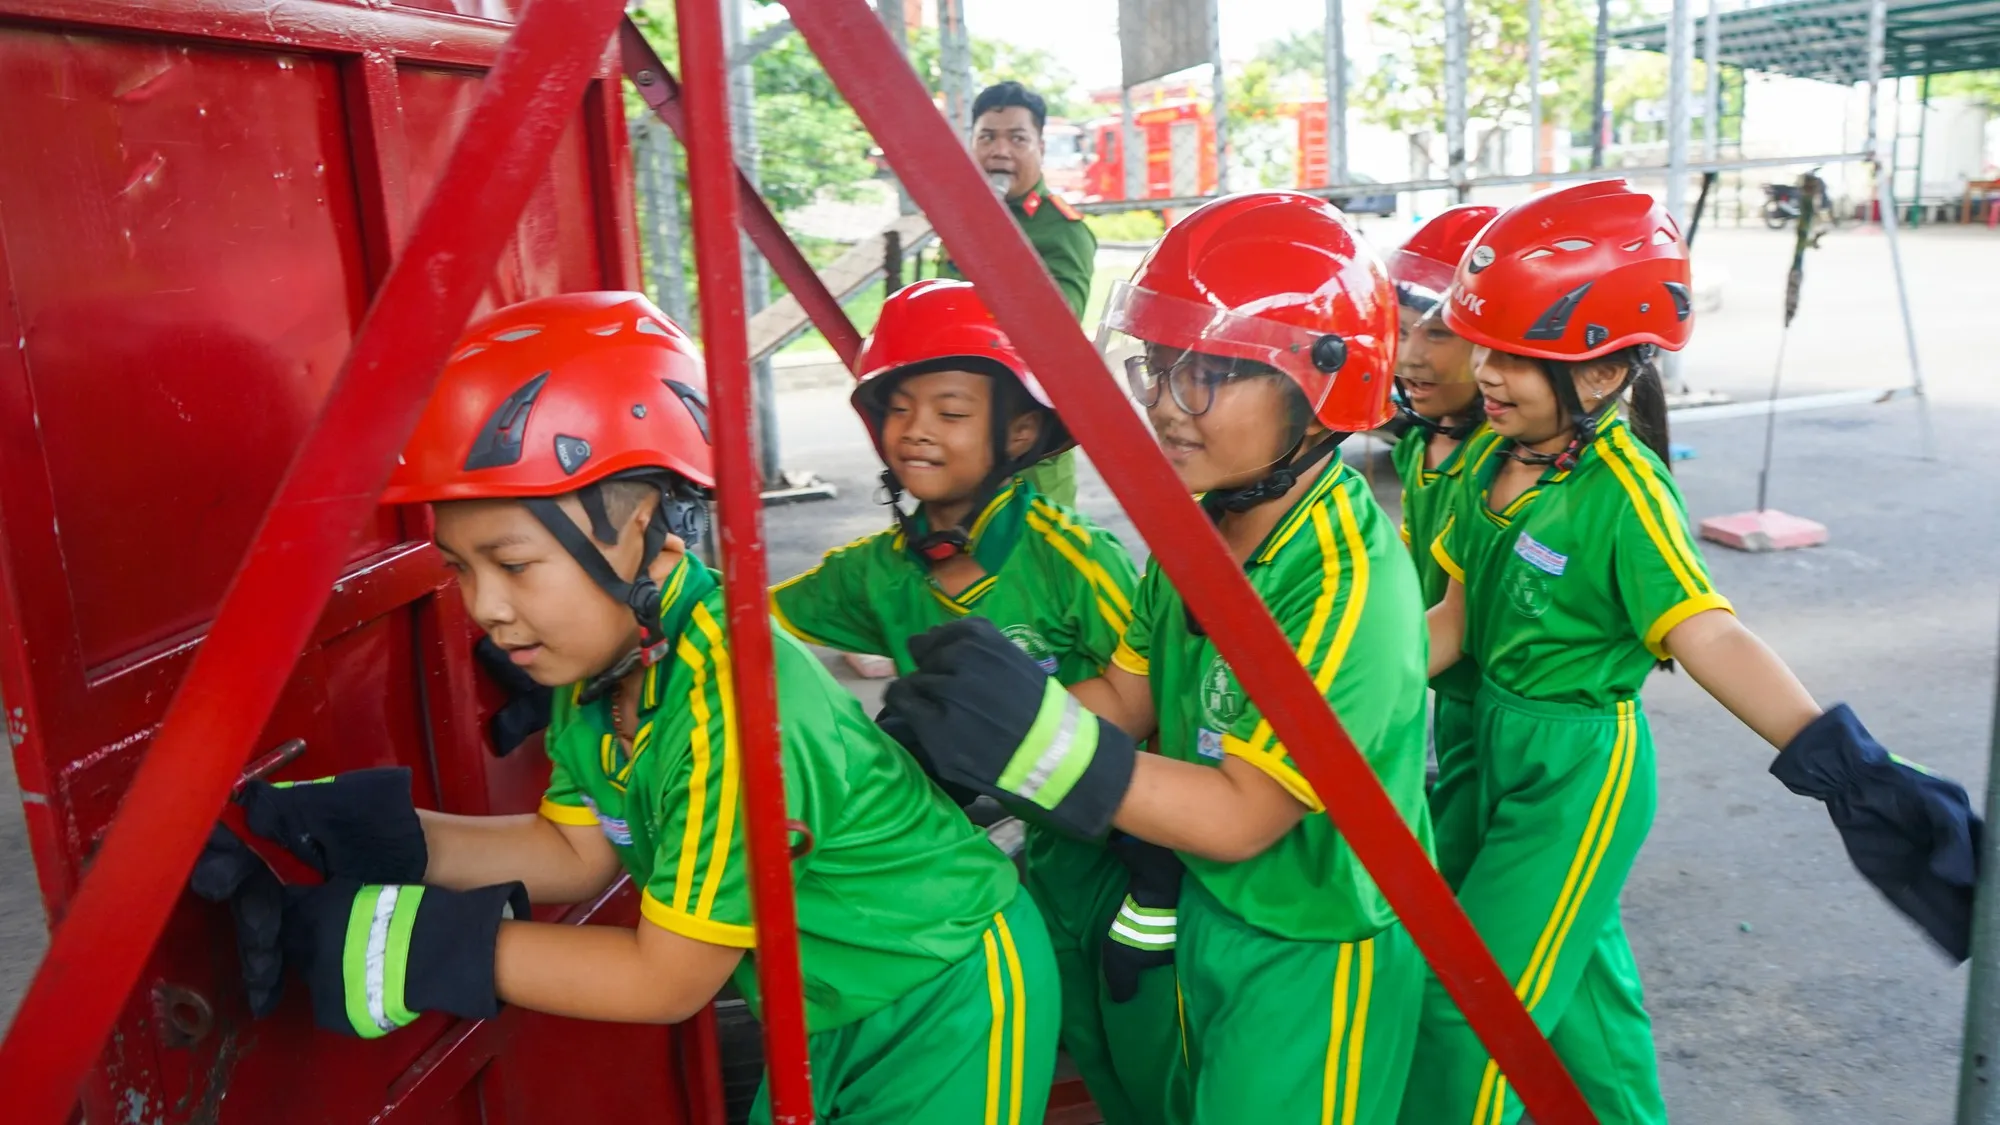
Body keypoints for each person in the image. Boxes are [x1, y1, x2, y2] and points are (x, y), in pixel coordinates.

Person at [232, 292, 1059, 1124]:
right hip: (830, 1006)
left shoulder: (729, 704)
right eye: (460, 568)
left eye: (513, 564)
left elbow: (665, 979)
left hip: (946, 993)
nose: (484, 606)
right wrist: (370, 835)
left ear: (641, 527)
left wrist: (399, 945)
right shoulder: (604, 665)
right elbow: (577, 849)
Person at [1405, 180, 1979, 1125]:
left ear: (1598, 373)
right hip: (1481, 751)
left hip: (1573, 776)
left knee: (1473, 1010)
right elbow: (1456, 618)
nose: (1489, 372)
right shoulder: (1480, 461)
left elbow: (1709, 631)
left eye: (1519, 354)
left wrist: (1847, 765)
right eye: (1485, 346)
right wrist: (1329, 698)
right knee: (1580, 997)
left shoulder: (1624, 495)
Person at [876, 192, 1435, 1125]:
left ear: (1324, 387)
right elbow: (1129, 693)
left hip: (1314, 940)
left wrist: (1036, 746)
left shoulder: (1346, 583)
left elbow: (1245, 816)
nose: (1167, 403)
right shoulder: (1199, 531)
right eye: (1159, 364)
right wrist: (963, 748)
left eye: (1211, 371)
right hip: (1208, 906)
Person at [769, 278, 1186, 1125]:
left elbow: (1150, 703)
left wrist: (1008, 736)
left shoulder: (1074, 560)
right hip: (1026, 861)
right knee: (1084, 1047)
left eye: (952, 410)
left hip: (1123, 854)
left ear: (1020, 431)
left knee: (1152, 1057)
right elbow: (744, 624)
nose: (916, 429)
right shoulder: (876, 570)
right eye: (899, 407)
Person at [1382, 203, 1497, 885]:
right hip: (1451, 704)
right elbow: (1404, 572)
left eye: (1439, 333)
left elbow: (1454, 619)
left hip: (1504, 713)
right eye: (1401, 330)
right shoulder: (1422, 446)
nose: (1411, 354)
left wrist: (1344, 683)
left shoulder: (1496, 463)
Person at [940, 79, 1097, 508]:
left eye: (1017, 138)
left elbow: (1058, 328)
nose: (1000, 151)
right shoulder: (959, 222)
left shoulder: (1062, 229)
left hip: (1027, 434)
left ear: (1040, 147)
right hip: (957, 426)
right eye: (987, 137)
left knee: (1035, 558)